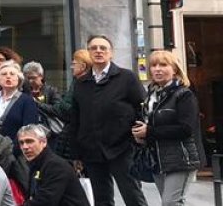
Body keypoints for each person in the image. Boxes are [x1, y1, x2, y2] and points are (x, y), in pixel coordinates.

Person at [66, 35, 147, 206]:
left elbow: (142, 108)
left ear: (111, 53)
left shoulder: (127, 78)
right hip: (91, 149)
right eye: (94, 48)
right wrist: (76, 153)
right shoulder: (81, 83)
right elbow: (75, 120)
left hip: (122, 148)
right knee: (101, 199)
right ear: (88, 53)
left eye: (103, 48)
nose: (98, 51)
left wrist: (137, 137)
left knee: (132, 195)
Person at [131, 49, 205, 206]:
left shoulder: (184, 95)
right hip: (157, 158)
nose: (157, 69)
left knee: (170, 203)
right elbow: (148, 124)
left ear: (174, 69)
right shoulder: (151, 95)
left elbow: (186, 129)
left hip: (181, 158)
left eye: (163, 65)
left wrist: (149, 131)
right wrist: (140, 135)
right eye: (154, 65)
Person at [17, 124, 89, 206]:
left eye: (29, 141)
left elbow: (45, 202)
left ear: (43, 142)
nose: (25, 147)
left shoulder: (55, 166)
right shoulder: (37, 163)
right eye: (21, 143)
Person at [0, 61, 40, 145]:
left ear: (19, 79)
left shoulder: (27, 101)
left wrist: (11, 149)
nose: (8, 76)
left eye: (12, 74)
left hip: (16, 150)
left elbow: (29, 128)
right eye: (4, 74)